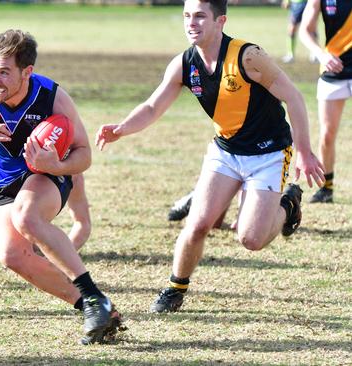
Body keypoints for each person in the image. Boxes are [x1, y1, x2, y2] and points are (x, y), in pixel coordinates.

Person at [96, 0, 324, 313]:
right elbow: (152, 107)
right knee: (198, 224)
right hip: (226, 151)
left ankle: (287, 205)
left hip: (268, 152)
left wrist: (305, 152)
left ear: (220, 22)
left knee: (251, 240)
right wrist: (121, 128)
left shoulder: (248, 56)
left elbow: (294, 97)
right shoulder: (184, 63)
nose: (192, 23)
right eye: (187, 16)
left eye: (201, 16)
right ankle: (175, 288)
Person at [0, 29, 123, 345]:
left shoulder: (52, 97)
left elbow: (83, 154)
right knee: (10, 255)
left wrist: (55, 166)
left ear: (26, 71)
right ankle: (93, 307)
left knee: (27, 217)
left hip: (46, 175)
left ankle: (94, 297)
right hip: (3, 184)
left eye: (4, 72)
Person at [299, 0, 352, 203]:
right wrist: (321, 55)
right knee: (327, 135)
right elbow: (305, 30)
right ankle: (326, 189)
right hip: (334, 68)